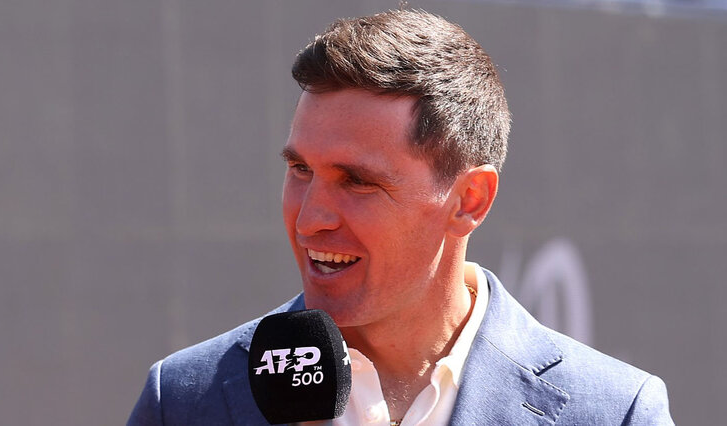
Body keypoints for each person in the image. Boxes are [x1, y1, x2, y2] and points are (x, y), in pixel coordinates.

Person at [128, 9, 673, 425]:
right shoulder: (182, 399)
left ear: (470, 200)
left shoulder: (614, 412)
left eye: (357, 181)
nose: (310, 219)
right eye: (300, 169)